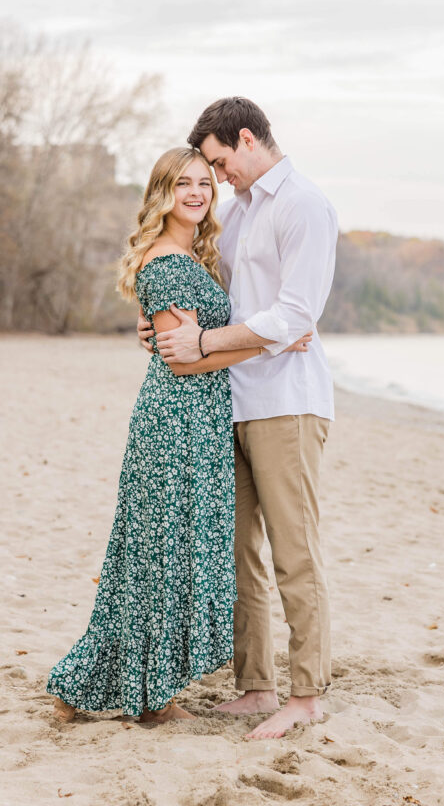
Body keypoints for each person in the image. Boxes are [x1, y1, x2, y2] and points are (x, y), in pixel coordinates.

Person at [47, 146, 308, 724]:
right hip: (176, 423)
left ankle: (90, 690)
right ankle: (152, 702)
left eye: (204, 183)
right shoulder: (166, 263)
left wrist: (244, 339)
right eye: (183, 184)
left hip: (199, 420)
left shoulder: (193, 256)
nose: (197, 192)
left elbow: (190, 341)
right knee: (159, 554)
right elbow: (185, 362)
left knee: (156, 554)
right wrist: (273, 340)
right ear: (162, 193)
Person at [138, 97, 338, 739]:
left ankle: (305, 695)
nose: (218, 178)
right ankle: (256, 686)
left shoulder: (303, 204)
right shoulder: (241, 210)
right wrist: (161, 330)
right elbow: (226, 309)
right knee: (239, 553)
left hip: (287, 402)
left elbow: (296, 317)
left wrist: (206, 345)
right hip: (232, 400)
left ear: (246, 139)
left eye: (220, 163)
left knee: (293, 551)